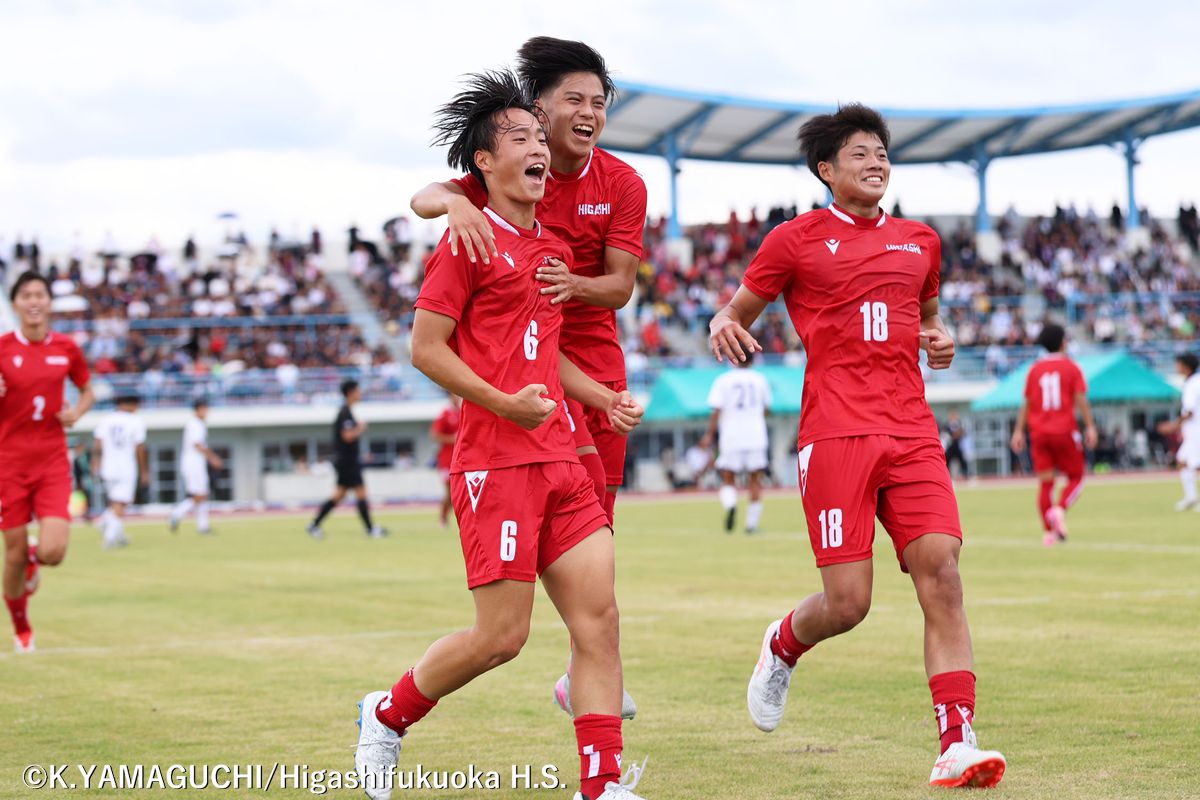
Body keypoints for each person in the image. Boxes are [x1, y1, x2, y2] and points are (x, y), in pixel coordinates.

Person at [354, 70, 648, 800]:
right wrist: (502, 404)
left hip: (560, 457)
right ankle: (387, 714)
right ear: (484, 162)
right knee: (502, 639)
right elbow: (426, 350)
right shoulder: (464, 240)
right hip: (494, 461)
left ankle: (602, 784)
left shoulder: (552, 251)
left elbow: (547, 354)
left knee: (600, 619)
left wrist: (602, 398)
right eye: (518, 137)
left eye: (534, 136)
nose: (536, 147)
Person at [708, 104, 1006, 789]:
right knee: (848, 604)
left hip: (910, 430)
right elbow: (737, 310)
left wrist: (943, 340)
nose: (876, 163)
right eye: (860, 154)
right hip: (835, 432)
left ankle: (956, 741)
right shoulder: (793, 240)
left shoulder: (921, 242)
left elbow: (929, 323)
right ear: (826, 170)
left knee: (944, 575)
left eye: (881, 152)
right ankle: (782, 645)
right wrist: (726, 324)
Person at [410, 34, 647, 722]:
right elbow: (427, 193)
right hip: (516, 394)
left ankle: (593, 725)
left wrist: (572, 285)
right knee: (504, 633)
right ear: (539, 114)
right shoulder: (495, 183)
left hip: (584, 367)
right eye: (572, 98)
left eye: (599, 102)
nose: (588, 112)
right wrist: (454, 205)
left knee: (596, 589)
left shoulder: (620, 183)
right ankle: (395, 710)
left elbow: (621, 288)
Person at [0, 270, 95, 652]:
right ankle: (21, 625)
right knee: (13, 554)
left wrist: (78, 413)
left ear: (49, 302)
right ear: (16, 304)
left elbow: (87, 390)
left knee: (53, 552)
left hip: (52, 461)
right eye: (26, 295)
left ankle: (36, 563)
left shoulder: (67, 347)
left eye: (40, 294)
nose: (34, 301)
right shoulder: (3, 347)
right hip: (8, 463)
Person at [1009, 324, 1098, 544]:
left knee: (1046, 483)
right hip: (1064, 430)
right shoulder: (1072, 367)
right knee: (1076, 477)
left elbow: (1026, 403)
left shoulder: (1035, 370)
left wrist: (1019, 431)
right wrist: (1090, 426)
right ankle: (1060, 509)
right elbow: (1080, 399)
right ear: (1063, 343)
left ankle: (1049, 533)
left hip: (1039, 432)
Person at [699, 353, 772, 533]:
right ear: (753, 360)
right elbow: (766, 409)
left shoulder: (723, 380)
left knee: (728, 478)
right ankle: (751, 525)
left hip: (731, 436)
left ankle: (731, 505)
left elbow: (716, 411)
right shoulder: (760, 379)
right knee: (755, 479)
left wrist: (709, 434)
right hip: (756, 435)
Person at [306, 379, 387, 539]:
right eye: (358, 390)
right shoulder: (345, 413)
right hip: (347, 461)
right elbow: (347, 436)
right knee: (360, 493)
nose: (360, 393)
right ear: (350, 392)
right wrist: (360, 428)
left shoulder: (347, 411)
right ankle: (370, 529)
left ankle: (314, 524)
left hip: (347, 461)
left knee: (339, 495)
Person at [92, 393, 149, 549]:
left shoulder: (106, 419)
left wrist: (95, 463)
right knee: (121, 503)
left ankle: (108, 525)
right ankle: (109, 538)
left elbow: (98, 443)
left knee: (115, 502)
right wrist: (144, 471)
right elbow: (140, 447)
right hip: (125, 467)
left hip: (108, 466)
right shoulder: (135, 421)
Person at [168, 399, 223, 535]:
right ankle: (176, 513)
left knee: (202, 495)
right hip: (193, 464)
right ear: (198, 409)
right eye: (204, 409)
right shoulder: (195, 424)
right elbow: (197, 444)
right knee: (199, 495)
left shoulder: (198, 424)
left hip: (197, 464)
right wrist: (213, 458)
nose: (207, 412)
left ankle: (202, 526)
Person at [1160, 353, 1200, 511]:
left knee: (1195, 464)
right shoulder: (1194, 381)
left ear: (1186, 366)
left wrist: (1173, 426)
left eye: (1178, 363)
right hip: (1192, 431)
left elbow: (1189, 411)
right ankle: (1190, 497)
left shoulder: (1192, 384)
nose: (1177, 367)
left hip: (1196, 430)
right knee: (1182, 460)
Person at [430, 394, 462, 527]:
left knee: (457, 491)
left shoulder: (462, 412)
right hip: (446, 459)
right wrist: (452, 439)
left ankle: (450, 519)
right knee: (450, 492)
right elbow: (435, 435)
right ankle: (443, 518)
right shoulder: (445, 414)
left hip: (460, 458)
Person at [943, 409, 970, 480]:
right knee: (946, 459)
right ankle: (946, 475)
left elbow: (964, 433)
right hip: (951, 446)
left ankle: (965, 475)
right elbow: (945, 435)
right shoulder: (947, 425)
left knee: (963, 460)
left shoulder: (960, 423)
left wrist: (958, 434)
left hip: (958, 446)